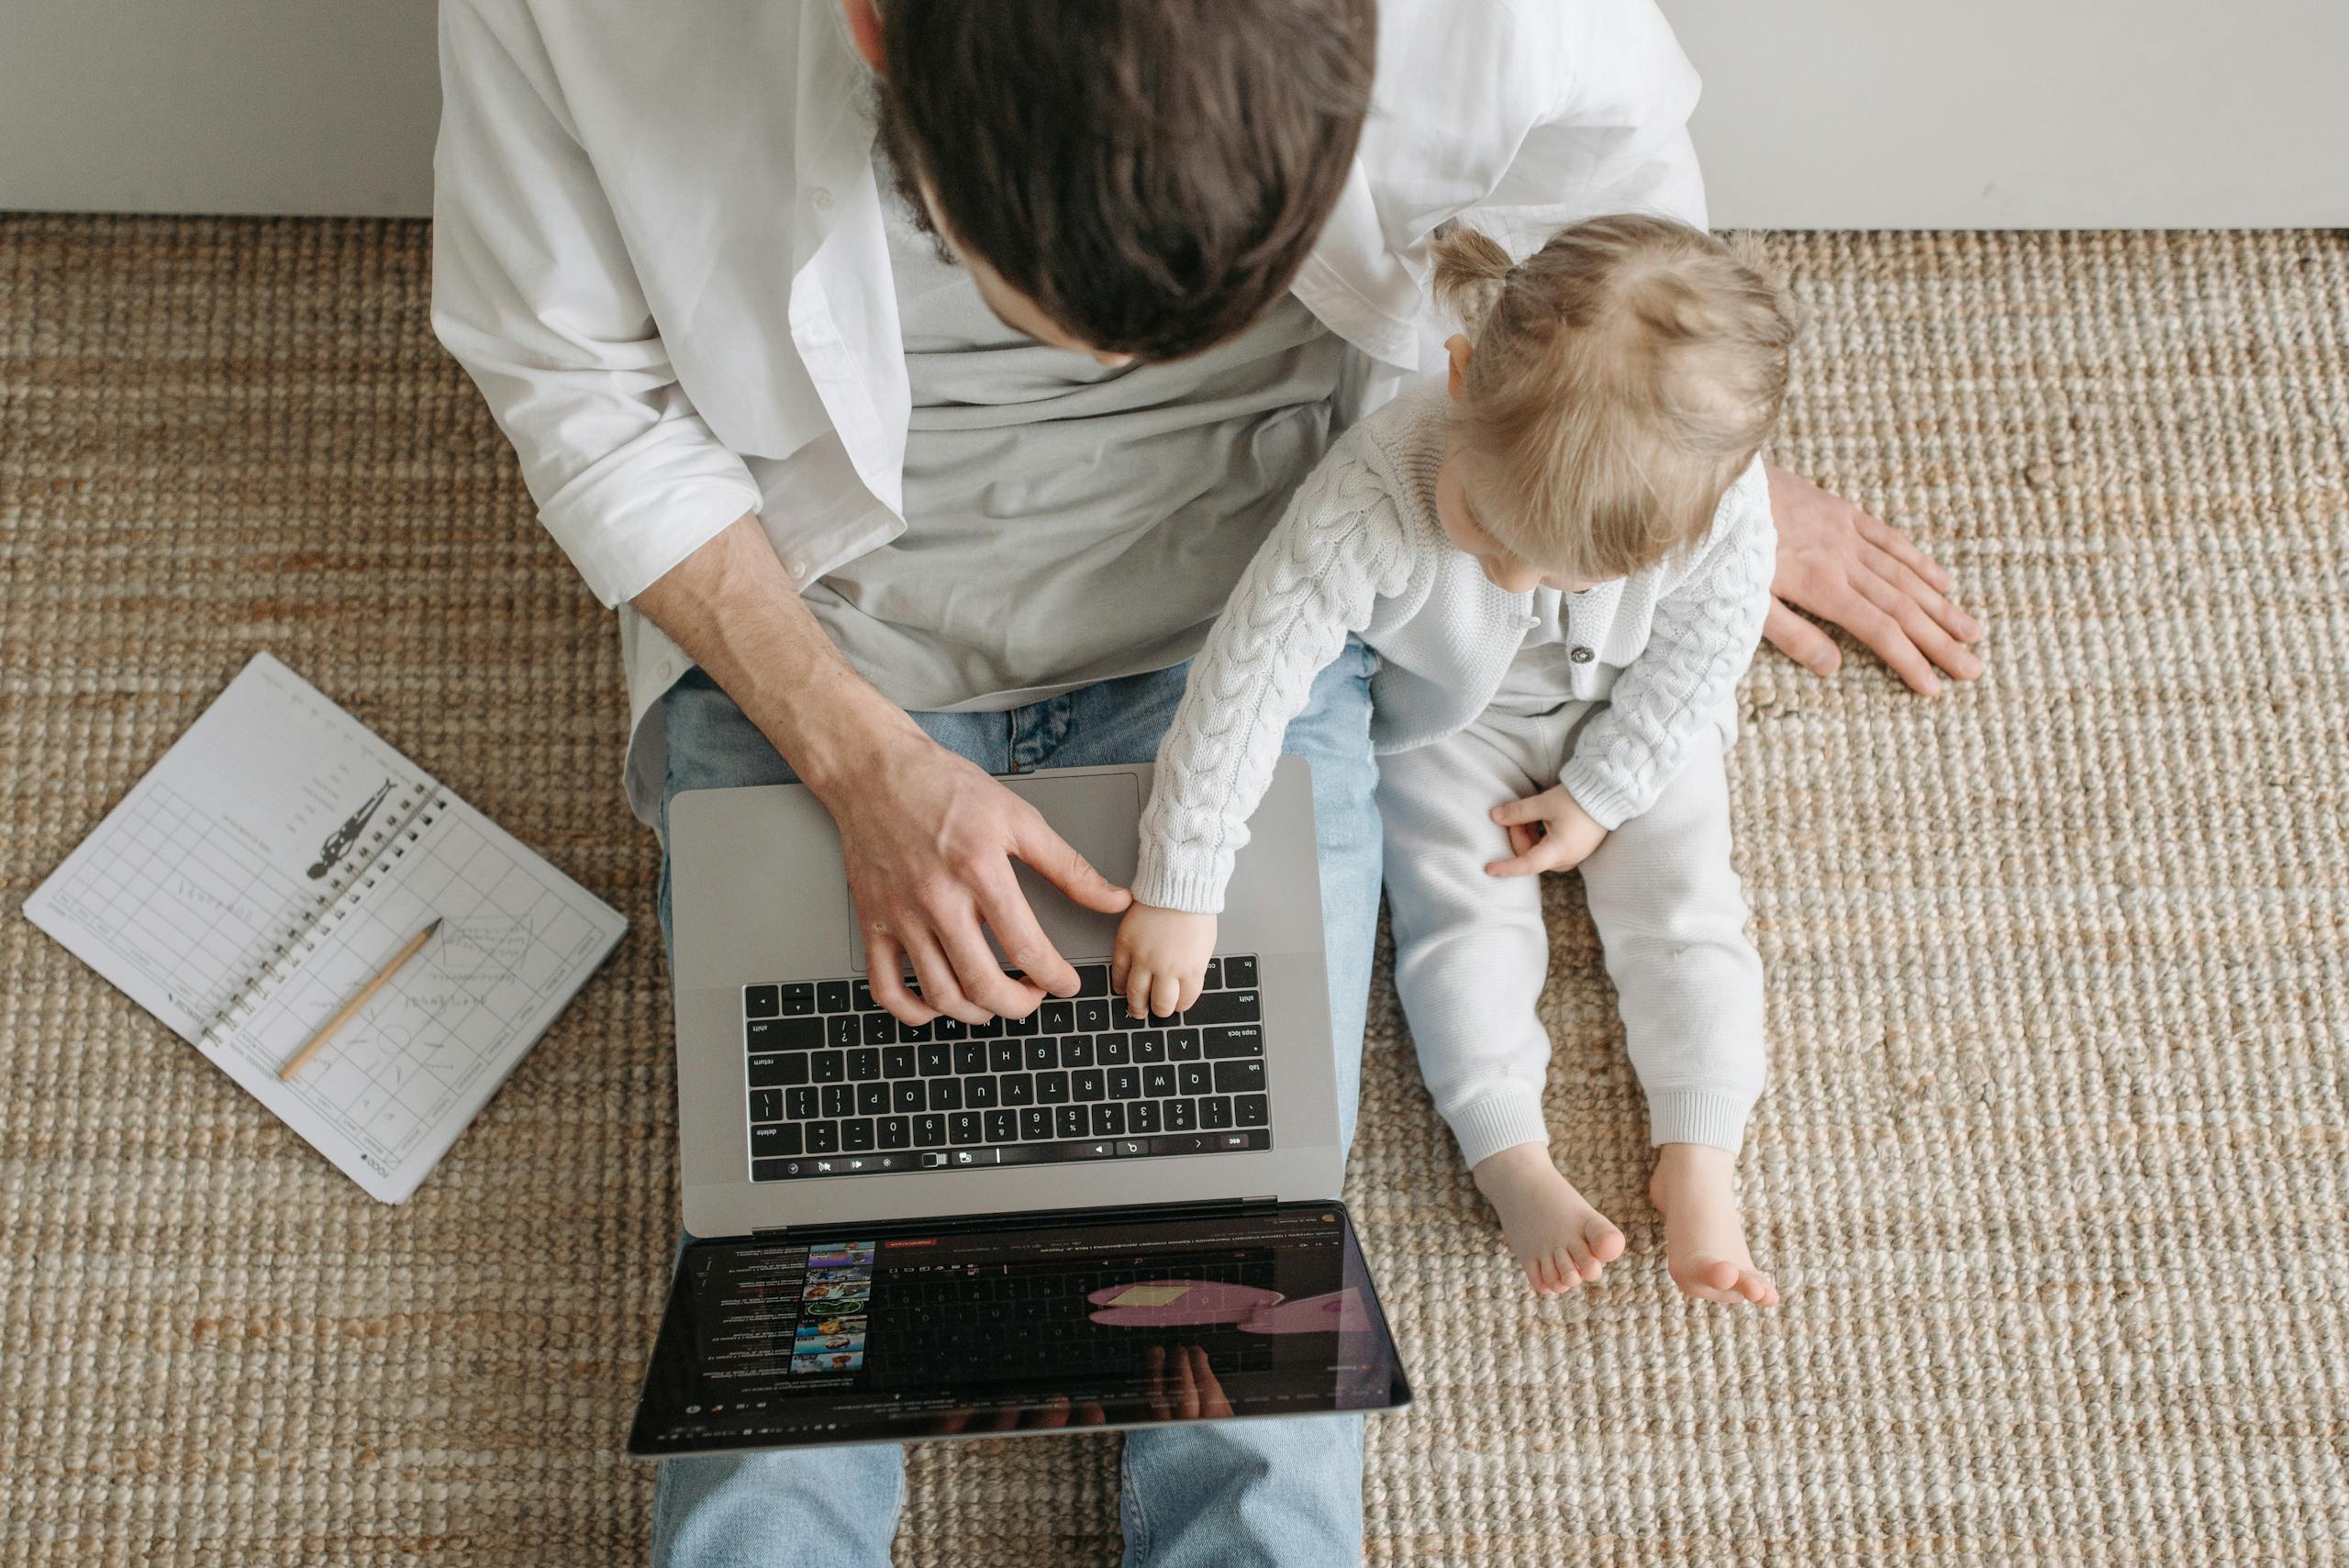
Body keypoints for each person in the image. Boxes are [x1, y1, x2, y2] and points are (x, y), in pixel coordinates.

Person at [430, 2, 1982, 1561]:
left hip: (1252, 620)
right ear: (877, 33)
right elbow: (580, 393)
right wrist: (854, 759)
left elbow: (1603, 188)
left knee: (1244, 1274)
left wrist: (1654, 472)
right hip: (818, 626)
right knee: (802, 1294)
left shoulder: (1501, 23)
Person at [1119, 214, 1790, 1305]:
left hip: (1637, 711)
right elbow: (1248, 678)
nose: (1517, 584)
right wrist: (1183, 881)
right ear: (1462, 373)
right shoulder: (1370, 495)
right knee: (1457, 919)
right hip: (1450, 727)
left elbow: (1707, 651)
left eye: (1564, 576)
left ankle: (1700, 1152)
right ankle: (1508, 1151)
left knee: (1690, 908)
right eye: (1487, 529)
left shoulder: (1719, 507)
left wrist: (1604, 790)